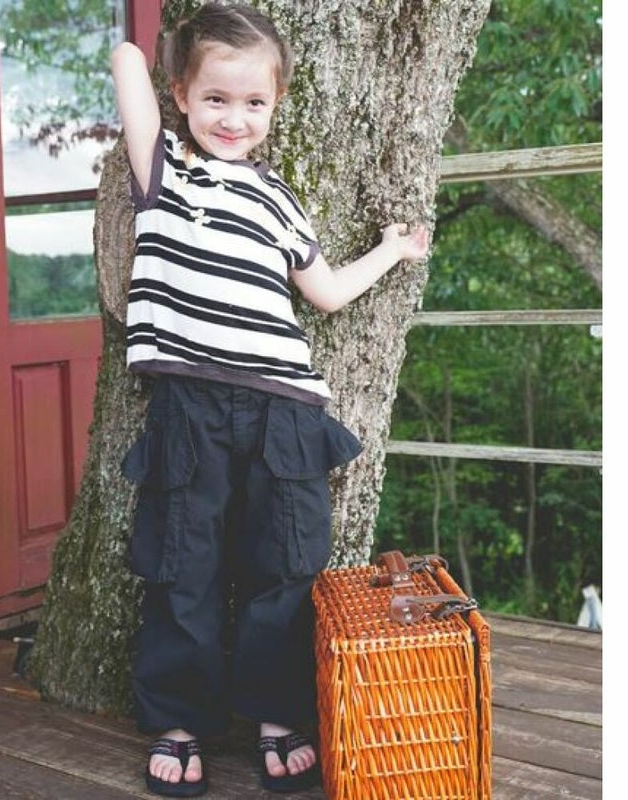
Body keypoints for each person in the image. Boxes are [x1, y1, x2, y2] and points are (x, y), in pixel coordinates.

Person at [112, 3, 429, 796]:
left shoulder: (278, 200)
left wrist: (390, 250)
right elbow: (124, 62)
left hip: (282, 411)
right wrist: (170, 59)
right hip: (189, 409)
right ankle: (179, 721)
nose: (234, 118)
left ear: (277, 105)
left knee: (284, 567)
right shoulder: (164, 169)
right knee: (181, 566)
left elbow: (326, 293)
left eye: (255, 102)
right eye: (215, 98)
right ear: (181, 96)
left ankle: (278, 714)